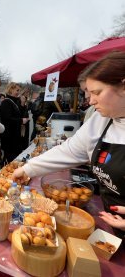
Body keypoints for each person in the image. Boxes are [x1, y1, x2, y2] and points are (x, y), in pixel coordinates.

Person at [13, 51, 125, 238]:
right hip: (113, 224)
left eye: (97, 92)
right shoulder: (101, 120)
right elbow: (70, 151)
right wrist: (28, 169)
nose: (91, 101)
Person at [0, 82, 29, 163]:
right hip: (10, 138)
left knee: (14, 160)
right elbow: (7, 119)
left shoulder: (13, 102)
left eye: (19, 90)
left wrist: (22, 105)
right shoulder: (6, 102)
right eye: (17, 90)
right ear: (11, 89)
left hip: (14, 137)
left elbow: (18, 114)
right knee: (11, 161)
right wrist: (21, 121)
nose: (18, 92)